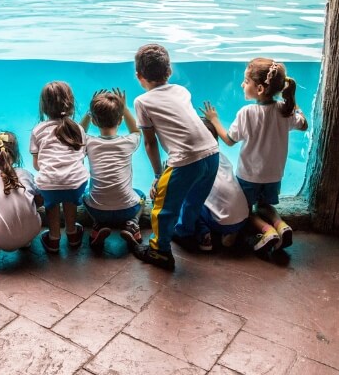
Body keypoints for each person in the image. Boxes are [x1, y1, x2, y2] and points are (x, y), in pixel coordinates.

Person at [202, 58, 308, 253]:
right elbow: (304, 125)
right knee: (265, 205)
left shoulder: (247, 113)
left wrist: (214, 120)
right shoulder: (284, 111)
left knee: (245, 211)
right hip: (274, 175)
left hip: (249, 176)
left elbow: (229, 140)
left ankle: (267, 232)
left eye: (246, 81)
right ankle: (281, 225)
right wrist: (294, 104)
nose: (243, 85)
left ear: (259, 89)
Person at [131, 44, 219, 270]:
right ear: (169, 71)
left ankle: (159, 251)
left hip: (185, 161)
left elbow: (150, 142)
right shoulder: (182, 91)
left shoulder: (142, 102)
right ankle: (185, 232)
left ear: (139, 76)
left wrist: (158, 175)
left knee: (162, 208)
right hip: (212, 154)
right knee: (193, 200)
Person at [79, 88, 145, 252]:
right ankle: (133, 225)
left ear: (94, 121)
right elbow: (137, 130)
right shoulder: (128, 142)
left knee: (84, 193)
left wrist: (89, 112)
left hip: (98, 210)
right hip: (127, 209)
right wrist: (125, 108)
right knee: (141, 194)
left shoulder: (89, 142)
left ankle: (98, 225)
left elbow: (78, 134)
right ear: (120, 120)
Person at [30, 81, 89, 253]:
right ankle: (72, 233)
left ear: (44, 106)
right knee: (69, 195)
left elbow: (37, 165)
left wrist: (54, 171)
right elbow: (80, 160)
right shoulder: (78, 129)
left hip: (49, 185)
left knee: (52, 200)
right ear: (70, 104)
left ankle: (54, 238)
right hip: (76, 183)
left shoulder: (38, 130)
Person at [0, 131, 42, 251]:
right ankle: (23, 239)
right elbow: (40, 201)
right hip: (32, 231)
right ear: (17, 155)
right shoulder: (25, 174)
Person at [194, 119, 249, 251]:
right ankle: (231, 232)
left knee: (189, 201)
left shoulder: (195, 163)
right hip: (243, 217)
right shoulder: (222, 157)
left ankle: (205, 236)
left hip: (222, 221)